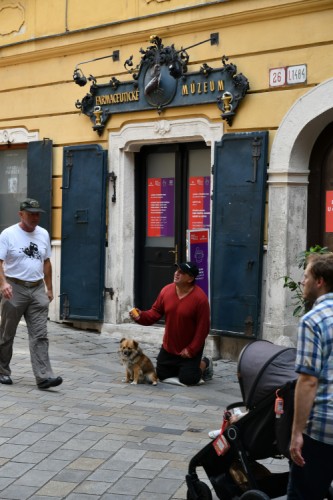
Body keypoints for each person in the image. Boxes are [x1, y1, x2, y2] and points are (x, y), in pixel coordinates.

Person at [0, 198, 63, 390]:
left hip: (36, 289)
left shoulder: (43, 234)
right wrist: (3, 284)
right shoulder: (8, 234)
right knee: (6, 333)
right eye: (31, 214)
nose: (35, 217)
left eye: (37, 214)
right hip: (14, 288)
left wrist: (49, 288)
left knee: (40, 335)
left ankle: (43, 376)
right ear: (21, 214)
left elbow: (46, 262)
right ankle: (2, 371)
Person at [287, 253, 333, 500]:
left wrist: (297, 433)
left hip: (324, 426)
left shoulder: (312, 320)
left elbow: (308, 381)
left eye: (306, 276)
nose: (302, 281)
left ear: (320, 281)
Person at [129, 262, 213, 386]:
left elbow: (203, 329)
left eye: (182, 272)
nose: (176, 273)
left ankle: (205, 363)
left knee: (189, 379)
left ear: (190, 279)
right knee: (162, 375)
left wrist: (191, 349)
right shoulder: (166, 290)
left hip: (189, 349)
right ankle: (181, 367)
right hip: (170, 346)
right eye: (177, 270)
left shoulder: (200, 299)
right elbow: (155, 312)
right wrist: (141, 316)